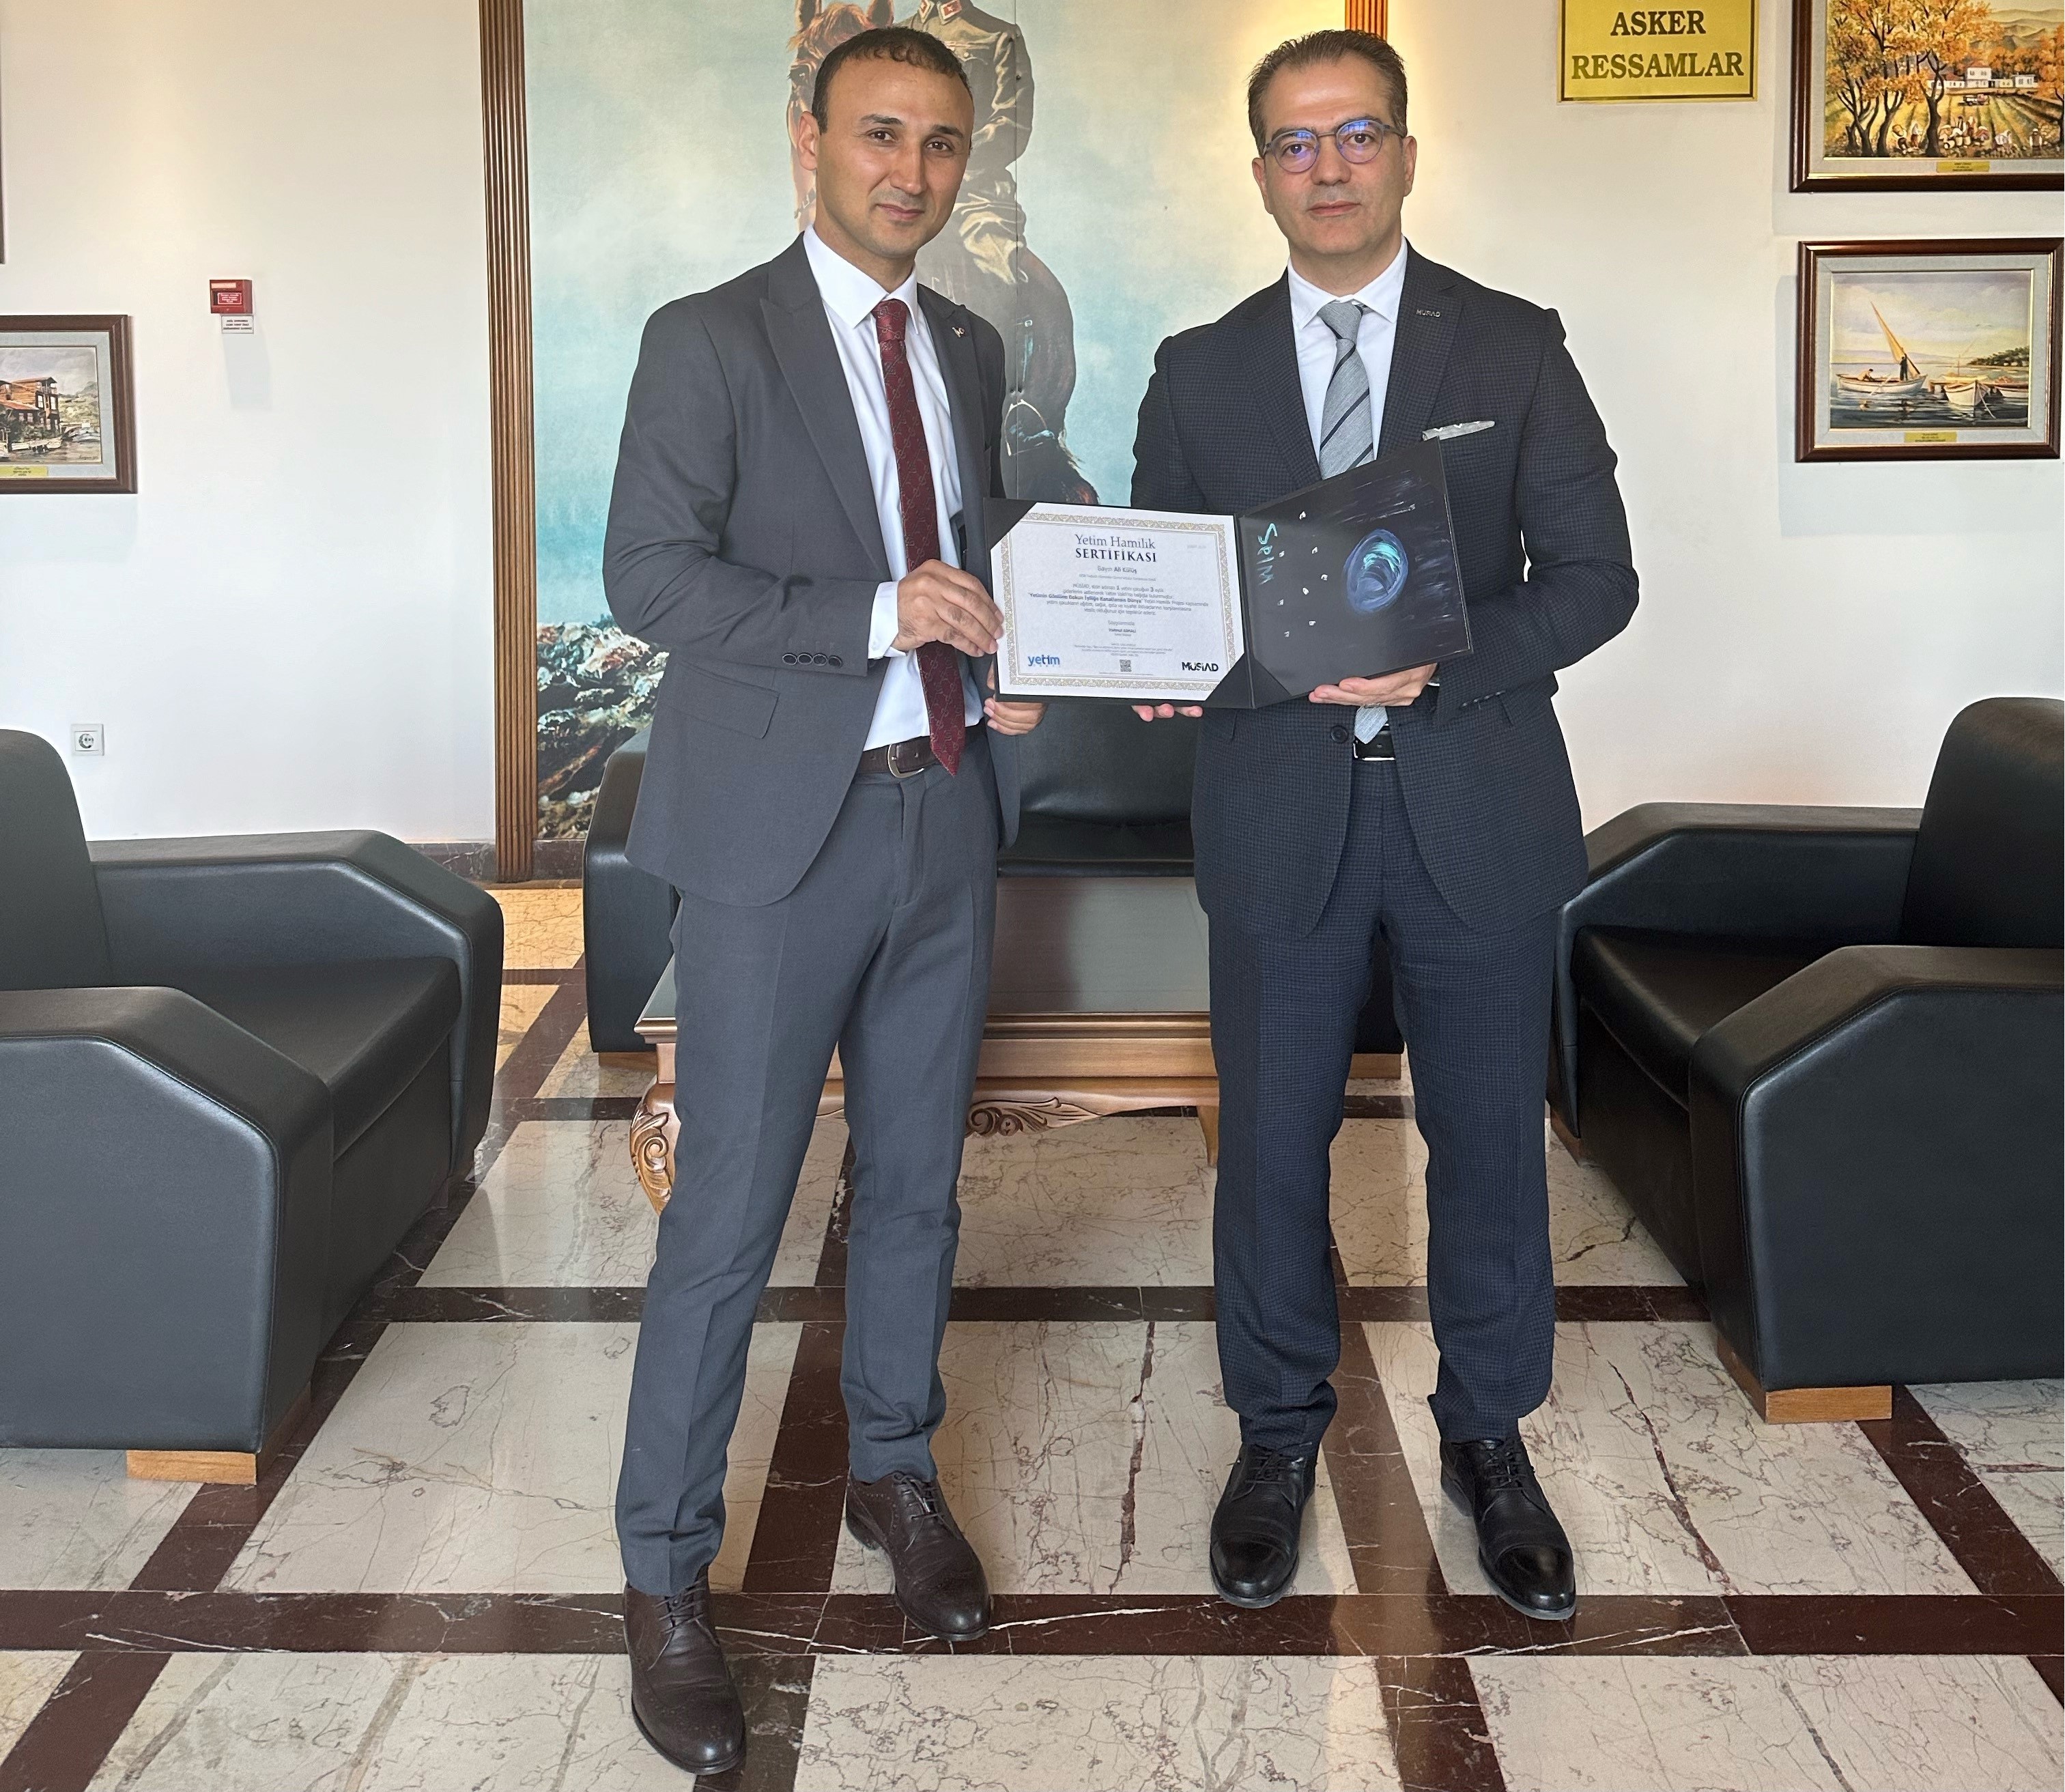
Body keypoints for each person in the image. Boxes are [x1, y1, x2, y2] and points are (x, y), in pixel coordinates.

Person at [1131, 29, 1636, 1622]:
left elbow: (1597, 581)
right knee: (1270, 1148)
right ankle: (1275, 1433)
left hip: (1473, 804)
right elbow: (1169, 600)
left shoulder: (1513, 346)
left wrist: (1445, 661)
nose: (1328, 166)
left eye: (1356, 134)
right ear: (1259, 173)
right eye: (1295, 142)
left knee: (1485, 1145)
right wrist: (1179, 667)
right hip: (1276, 813)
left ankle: (1490, 1437)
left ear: (1407, 154)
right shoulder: (1196, 370)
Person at [602, 26, 1046, 1774]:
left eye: (938, 142)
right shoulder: (708, 336)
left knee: (919, 1185)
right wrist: (883, 615)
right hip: (775, 843)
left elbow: (973, 549)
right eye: (879, 134)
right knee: (726, 1219)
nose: (909, 170)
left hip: (946, 811)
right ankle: (662, 1575)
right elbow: (649, 576)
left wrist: (1011, 656)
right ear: (810, 142)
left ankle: (893, 1471)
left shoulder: (965, 343)